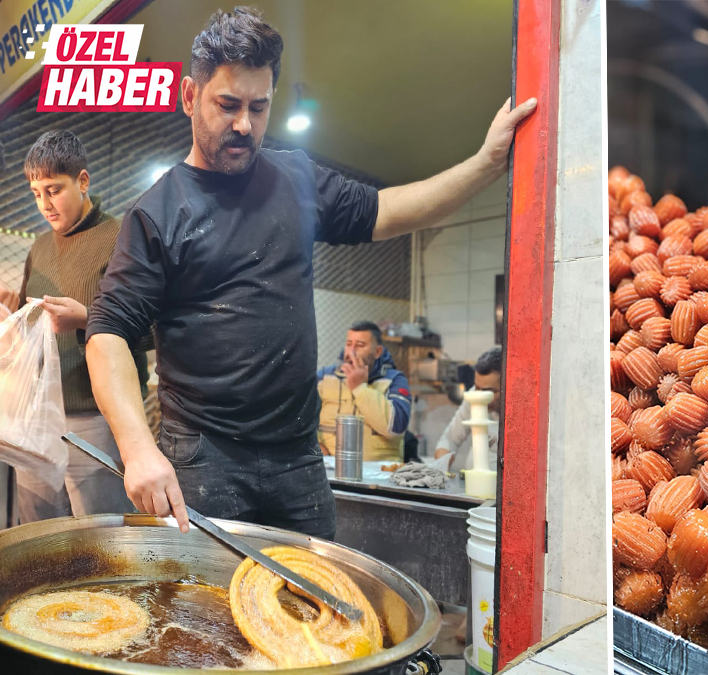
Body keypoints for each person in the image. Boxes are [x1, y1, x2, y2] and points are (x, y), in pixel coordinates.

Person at [84, 7, 535, 539]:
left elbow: (389, 210)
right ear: (189, 98)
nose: (244, 124)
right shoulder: (157, 213)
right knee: (210, 614)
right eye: (227, 105)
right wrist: (139, 448)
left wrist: (485, 162)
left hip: (297, 458)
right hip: (205, 455)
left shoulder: (295, 177)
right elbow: (107, 332)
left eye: (259, 106)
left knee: (312, 607)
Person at [3, 130, 147, 523]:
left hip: (95, 417)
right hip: (38, 415)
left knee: (98, 532)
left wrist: (85, 318)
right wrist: (10, 308)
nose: (44, 205)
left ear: (82, 181)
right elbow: (32, 319)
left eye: (54, 189)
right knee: (39, 530)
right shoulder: (40, 246)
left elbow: (149, 329)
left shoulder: (119, 238)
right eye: (35, 193)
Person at [316, 321, 411, 462]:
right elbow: (297, 421)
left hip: (379, 476)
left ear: (377, 352)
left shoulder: (394, 380)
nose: (352, 351)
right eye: (349, 344)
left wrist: (360, 388)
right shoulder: (324, 377)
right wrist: (314, 447)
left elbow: (396, 427)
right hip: (329, 471)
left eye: (360, 345)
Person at [435, 347, 502, 472]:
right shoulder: (474, 397)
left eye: (488, 391)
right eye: (477, 387)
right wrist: (440, 469)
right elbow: (450, 439)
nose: (480, 396)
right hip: (472, 487)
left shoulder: (523, 409)